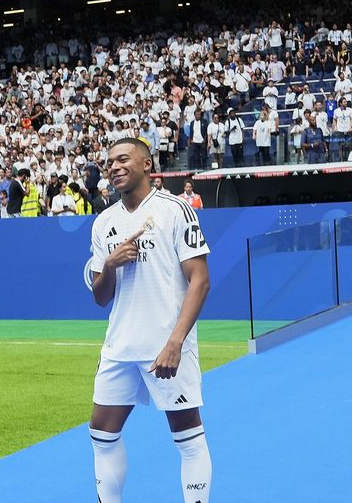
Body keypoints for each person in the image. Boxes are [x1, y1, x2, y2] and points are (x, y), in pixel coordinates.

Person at [88, 138, 212, 503]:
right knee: (101, 434)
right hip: (120, 346)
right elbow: (100, 296)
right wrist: (110, 264)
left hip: (166, 346)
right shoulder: (104, 222)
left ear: (146, 164)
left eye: (123, 159)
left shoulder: (175, 209)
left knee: (187, 437)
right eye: (109, 162)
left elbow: (200, 281)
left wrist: (175, 343)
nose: (114, 167)